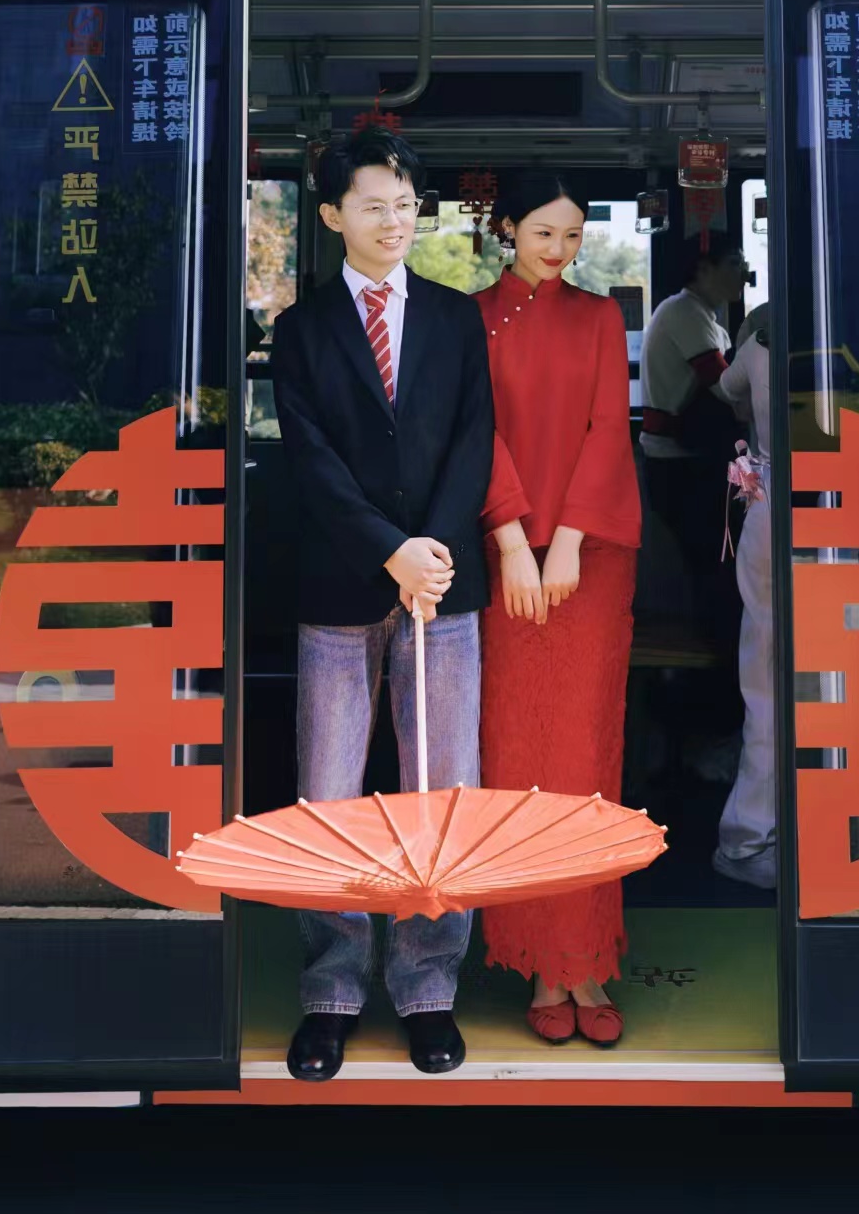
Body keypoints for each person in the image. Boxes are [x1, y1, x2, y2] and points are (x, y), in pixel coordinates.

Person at [271, 128, 494, 1083]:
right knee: (328, 791)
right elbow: (310, 460)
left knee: (440, 790)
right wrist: (387, 549)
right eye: (373, 205)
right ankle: (330, 988)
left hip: (441, 585)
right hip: (339, 580)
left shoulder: (453, 316)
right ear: (332, 215)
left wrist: (429, 552)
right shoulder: (300, 328)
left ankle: (427, 983)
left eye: (405, 204)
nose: (394, 220)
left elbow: (475, 439)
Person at [476, 173, 642, 1047]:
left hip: (590, 556)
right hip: (503, 552)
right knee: (516, 750)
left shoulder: (600, 316)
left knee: (583, 752)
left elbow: (609, 429)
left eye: (572, 234)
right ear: (507, 227)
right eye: (543, 231)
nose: (559, 249)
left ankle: (584, 957)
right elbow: (474, 433)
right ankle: (541, 960)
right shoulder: (468, 317)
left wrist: (568, 539)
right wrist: (513, 536)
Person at [638, 238, 748, 646]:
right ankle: (721, 655)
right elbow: (726, 388)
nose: (744, 274)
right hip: (681, 469)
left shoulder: (703, 316)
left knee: (715, 566)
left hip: (689, 463)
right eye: (734, 263)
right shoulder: (684, 312)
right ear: (704, 269)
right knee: (714, 568)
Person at [713, 301, 776, 888]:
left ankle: (751, 835)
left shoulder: (763, 334)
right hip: (843, 507)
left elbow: (727, 390)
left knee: (767, 682)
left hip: (771, 511)